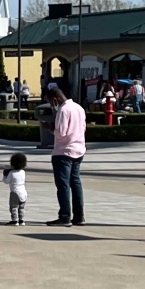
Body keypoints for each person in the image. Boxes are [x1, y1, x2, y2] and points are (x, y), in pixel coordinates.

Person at [47, 82, 87, 226]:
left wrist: (49, 128)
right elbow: (83, 128)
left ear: (55, 99)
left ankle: (64, 216)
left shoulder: (63, 110)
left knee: (63, 185)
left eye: (51, 102)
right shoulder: (79, 108)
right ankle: (79, 216)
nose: (52, 105)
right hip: (78, 149)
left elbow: (61, 133)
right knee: (75, 183)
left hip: (63, 152)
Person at [3, 150, 28, 227]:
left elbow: (6, 181)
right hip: (23, 192)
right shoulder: (23, 172)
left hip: (15, 192)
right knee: (21, 207)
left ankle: (14, 220)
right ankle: (21, 220)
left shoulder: (11, 173)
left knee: (14, 207)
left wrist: (4, 175)